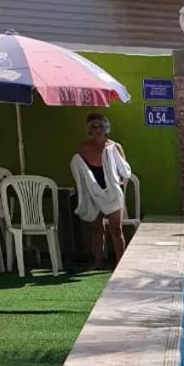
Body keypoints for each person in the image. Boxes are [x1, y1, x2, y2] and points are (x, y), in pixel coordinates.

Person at [70, 113, 131, 269]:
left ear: (106, 128)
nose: (97, 130)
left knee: (116, 229)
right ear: (89, 129)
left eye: (100, 126)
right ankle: (98, 261)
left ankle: (120, 263)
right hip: (93, 191)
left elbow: (124, 170)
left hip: (113, 191)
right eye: (93, 127)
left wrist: (121, 189)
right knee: (97, 228)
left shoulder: (114, 147)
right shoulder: (84, 147)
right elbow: (79, 170)